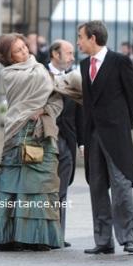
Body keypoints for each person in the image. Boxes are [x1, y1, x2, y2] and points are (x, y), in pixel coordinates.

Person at [0, 33, 63, 251]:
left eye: (24, 46)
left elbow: (53, 96)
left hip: (40, 132)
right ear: (9, 57)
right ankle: (9, 236)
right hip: (19, 131)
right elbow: (47, 88)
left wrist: (44, 108)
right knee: (14, 184)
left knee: (40, 185)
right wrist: (59, 83)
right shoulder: (10, 74)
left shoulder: (39, 68)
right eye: (18, 50)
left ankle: (38, 237)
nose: (24, 51)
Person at [77, 20, 133, 255]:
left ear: (93, 38)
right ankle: (103, 240)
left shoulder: (120, 62)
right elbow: (87, 106)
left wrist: (122, 126)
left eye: (81, 37)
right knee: (97, 187)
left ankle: (129, 238)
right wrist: (84, 139)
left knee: (121, 186)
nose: (78, 42)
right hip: (93, 136)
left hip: (116, 135)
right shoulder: (84, 65)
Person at [46, 39, 83, 247]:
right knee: (44, 188)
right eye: (68, 53)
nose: (72, 57)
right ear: (55, 54)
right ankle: (43, 231)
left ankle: (58, 234)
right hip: (44, 139)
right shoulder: (40, 74)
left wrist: (82, 143)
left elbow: (80, 112)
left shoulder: (74, 77)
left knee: (62, 189)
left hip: (67, 139)